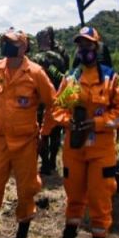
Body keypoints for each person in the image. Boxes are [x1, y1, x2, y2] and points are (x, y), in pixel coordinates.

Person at [45, 26, 119, 238]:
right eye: (81, 45)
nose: (84, 50)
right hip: (75, 149)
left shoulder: (110, 79)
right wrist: (68, 121)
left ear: (97, 48)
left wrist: (99, 124)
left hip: (101, 152)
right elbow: (57, 108)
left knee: (100, 204)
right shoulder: (71, 80)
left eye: (89, 45)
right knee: (74, 200)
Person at [0, 28, 57, 238]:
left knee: (26, 190)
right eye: (4, 42)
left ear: (23, 47)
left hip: (25, 142)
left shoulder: (36, 73)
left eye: (10, 43)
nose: (5, 46)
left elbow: (53, 104)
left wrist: (45, 132)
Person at [32, 26, 70, 175]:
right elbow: (64, 78)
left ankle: (45, 163)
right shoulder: (59, 57)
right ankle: (53, 160)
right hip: (56, 100)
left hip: (39, 102)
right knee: (55, 131)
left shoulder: (34, 60)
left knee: (41, 133)